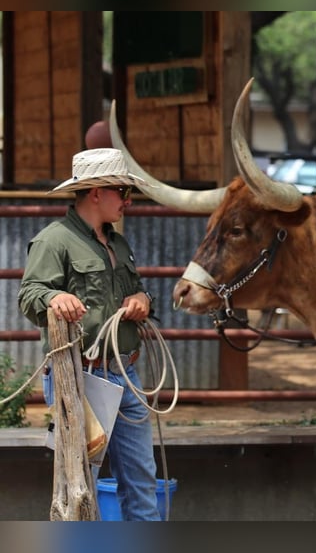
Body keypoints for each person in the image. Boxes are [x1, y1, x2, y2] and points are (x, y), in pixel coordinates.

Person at [18, 148, 160, 520]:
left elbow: (139, 289)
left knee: (142, 480)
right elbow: (30, 295)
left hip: (126, 373)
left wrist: (143, 299)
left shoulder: (119, 243)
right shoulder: (54, 241)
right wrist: (55, 297)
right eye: (121, 191)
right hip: (81, 376)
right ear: (96, 192)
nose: (128, 200)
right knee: (79, 483)